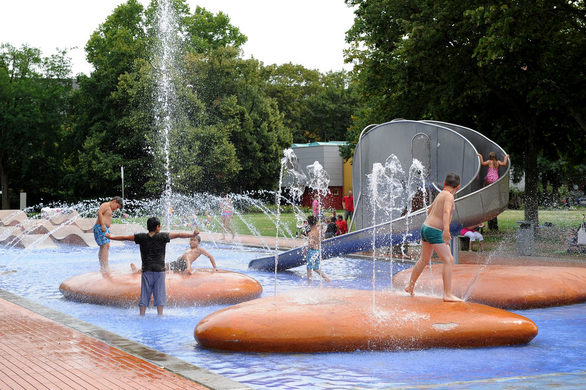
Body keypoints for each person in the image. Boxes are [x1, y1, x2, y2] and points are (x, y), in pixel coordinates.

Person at [106, 217, 199, 316]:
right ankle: (160, 315)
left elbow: (125, 237)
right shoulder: (163, 236)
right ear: (157, 227)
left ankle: (142, 315)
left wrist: (111, 237)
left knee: (145, 294)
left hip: (146, 271)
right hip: (159, 271)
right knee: (160, 295)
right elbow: (178, 235)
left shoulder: (141, 237)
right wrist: (192, 234)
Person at [404, 173, 462, 302]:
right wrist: (446, 230)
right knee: (448, 260)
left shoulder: (441, 194)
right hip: (434, 230)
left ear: (444, 183)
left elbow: (430, 211)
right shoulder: (449, 196)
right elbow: (446, 212)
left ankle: (410, 286)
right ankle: (447, 294)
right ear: (458, 187)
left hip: (426, 227)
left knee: (424, 259)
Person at [93, 196, 123, 277]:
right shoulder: (106, 205)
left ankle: (104, 266)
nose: (116, 209)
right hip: (100, 227)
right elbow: (99, 213)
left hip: (103, 228)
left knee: (105, 246)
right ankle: (105, 267)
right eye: (117, 207)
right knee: (105, 246)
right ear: (114, 201)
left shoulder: (109, 207)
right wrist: (103, 225)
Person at [304, 215, 330, 284]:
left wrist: (306, 248)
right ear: (315, 222)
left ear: (309, 224)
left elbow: (311, 244)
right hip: (318, 251)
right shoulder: (319, 230)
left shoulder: (310, 233)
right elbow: (323, 239)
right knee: (316, 268)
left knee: (309, 267)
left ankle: (309, 284)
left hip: (312, 251)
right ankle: (327, 279)